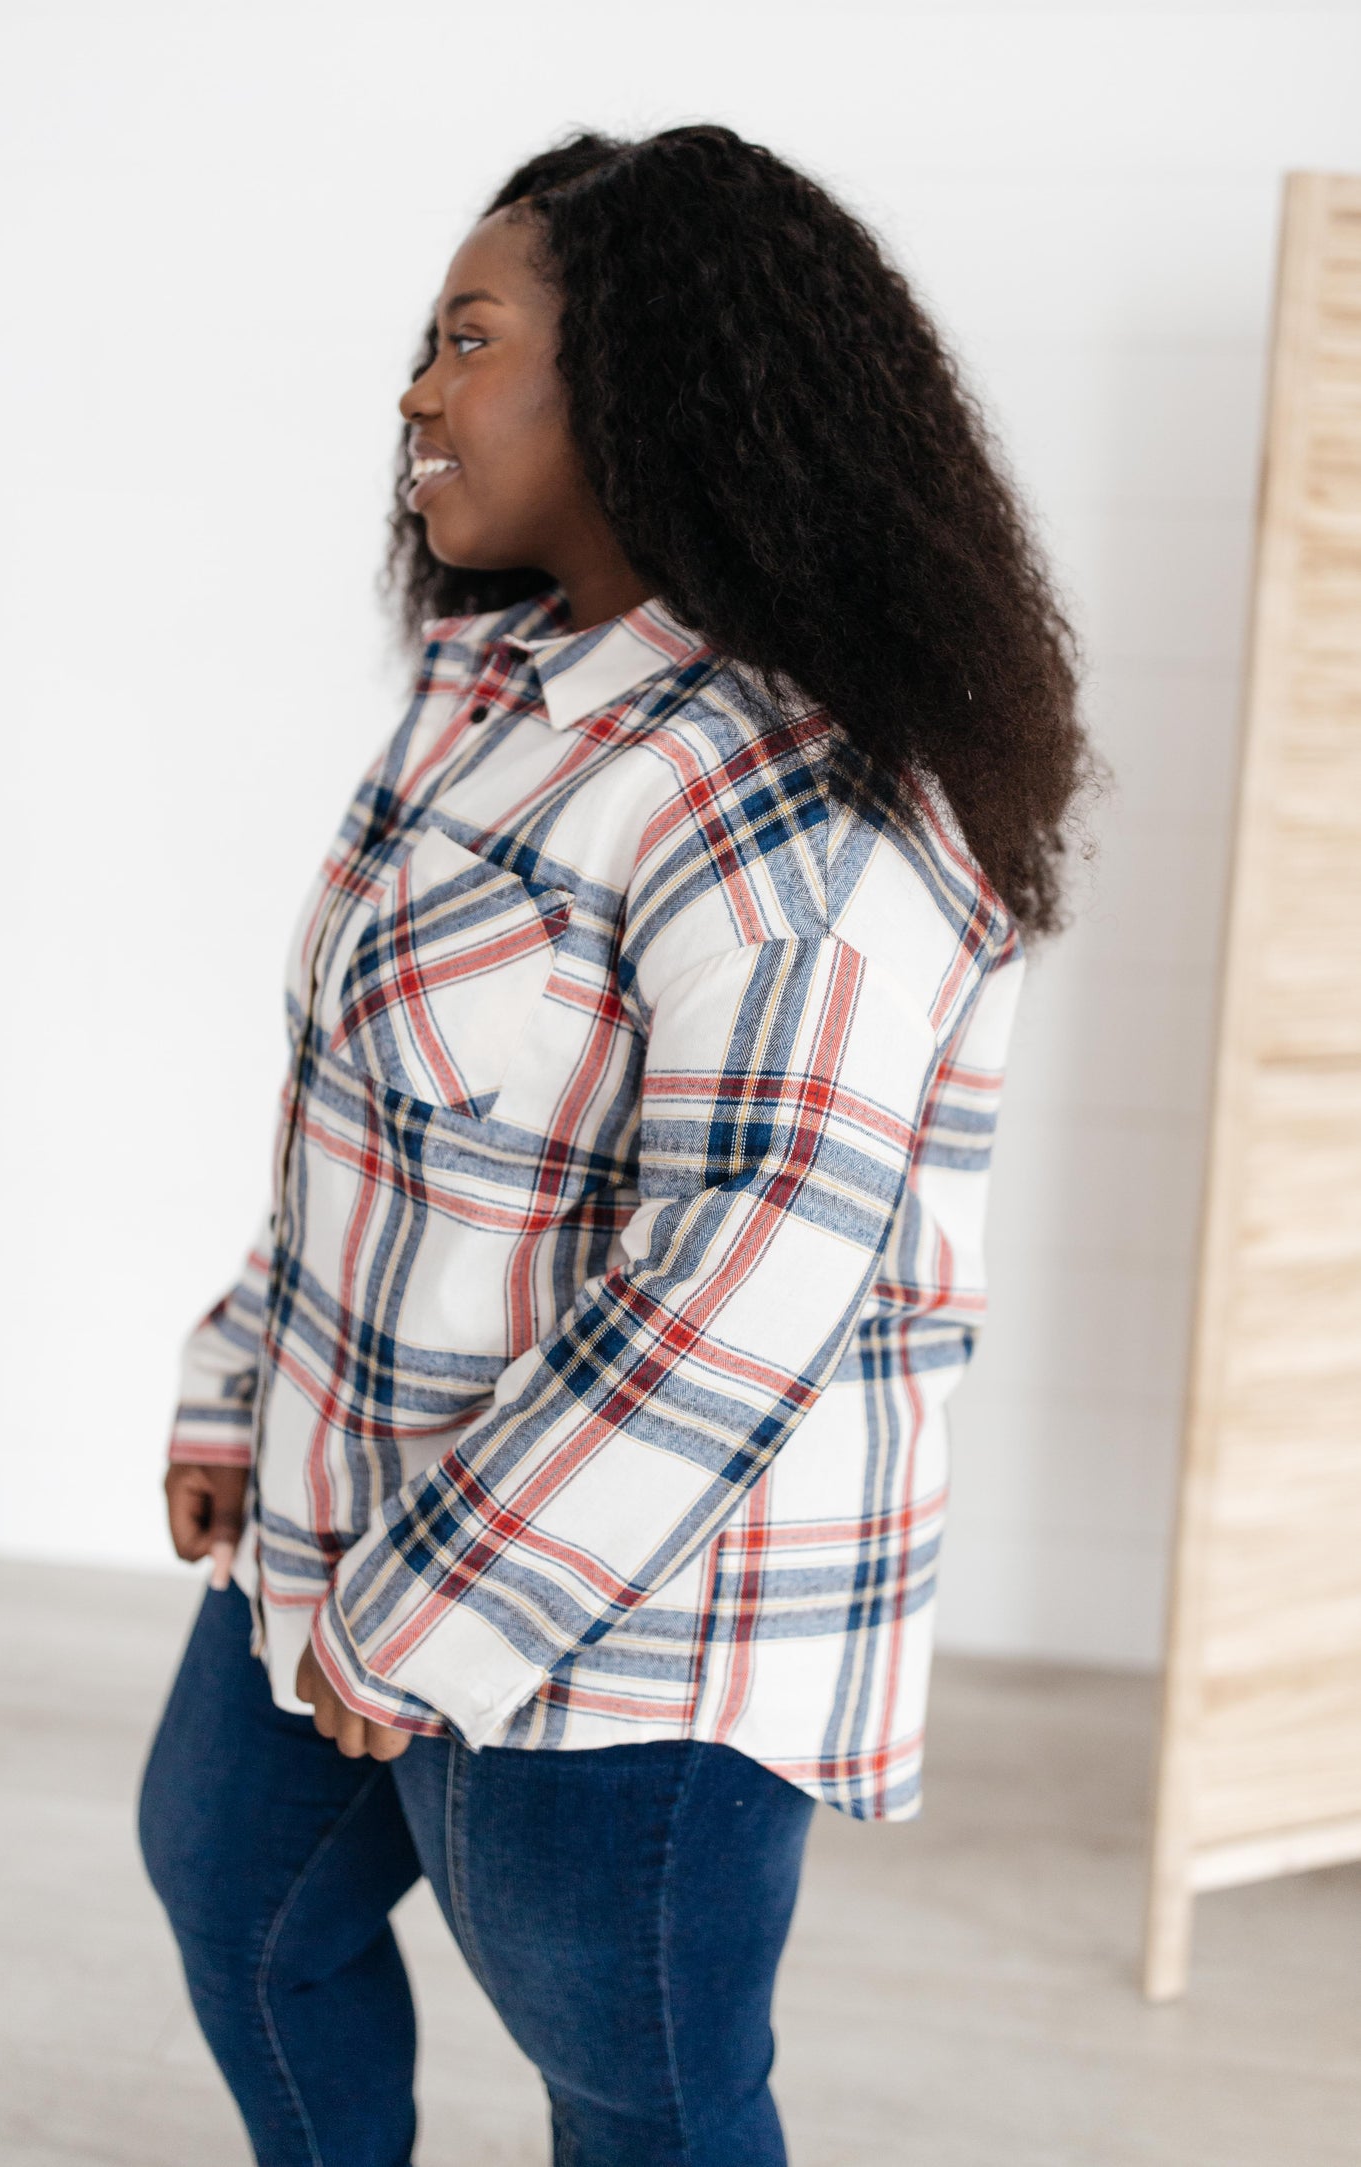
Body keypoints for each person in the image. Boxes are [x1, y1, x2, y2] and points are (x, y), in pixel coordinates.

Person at [137, 123, 1096, 2167]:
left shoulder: (799, 798)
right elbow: (364, 1122)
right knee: (229, 1891)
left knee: (641, 2097)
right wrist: (236, 1372)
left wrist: (418, 1608)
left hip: (622, 1629)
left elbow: (745, 1278)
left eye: (470, 338)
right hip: (337, 1514)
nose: (417, 387)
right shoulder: (491, 689)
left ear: (649, 382)